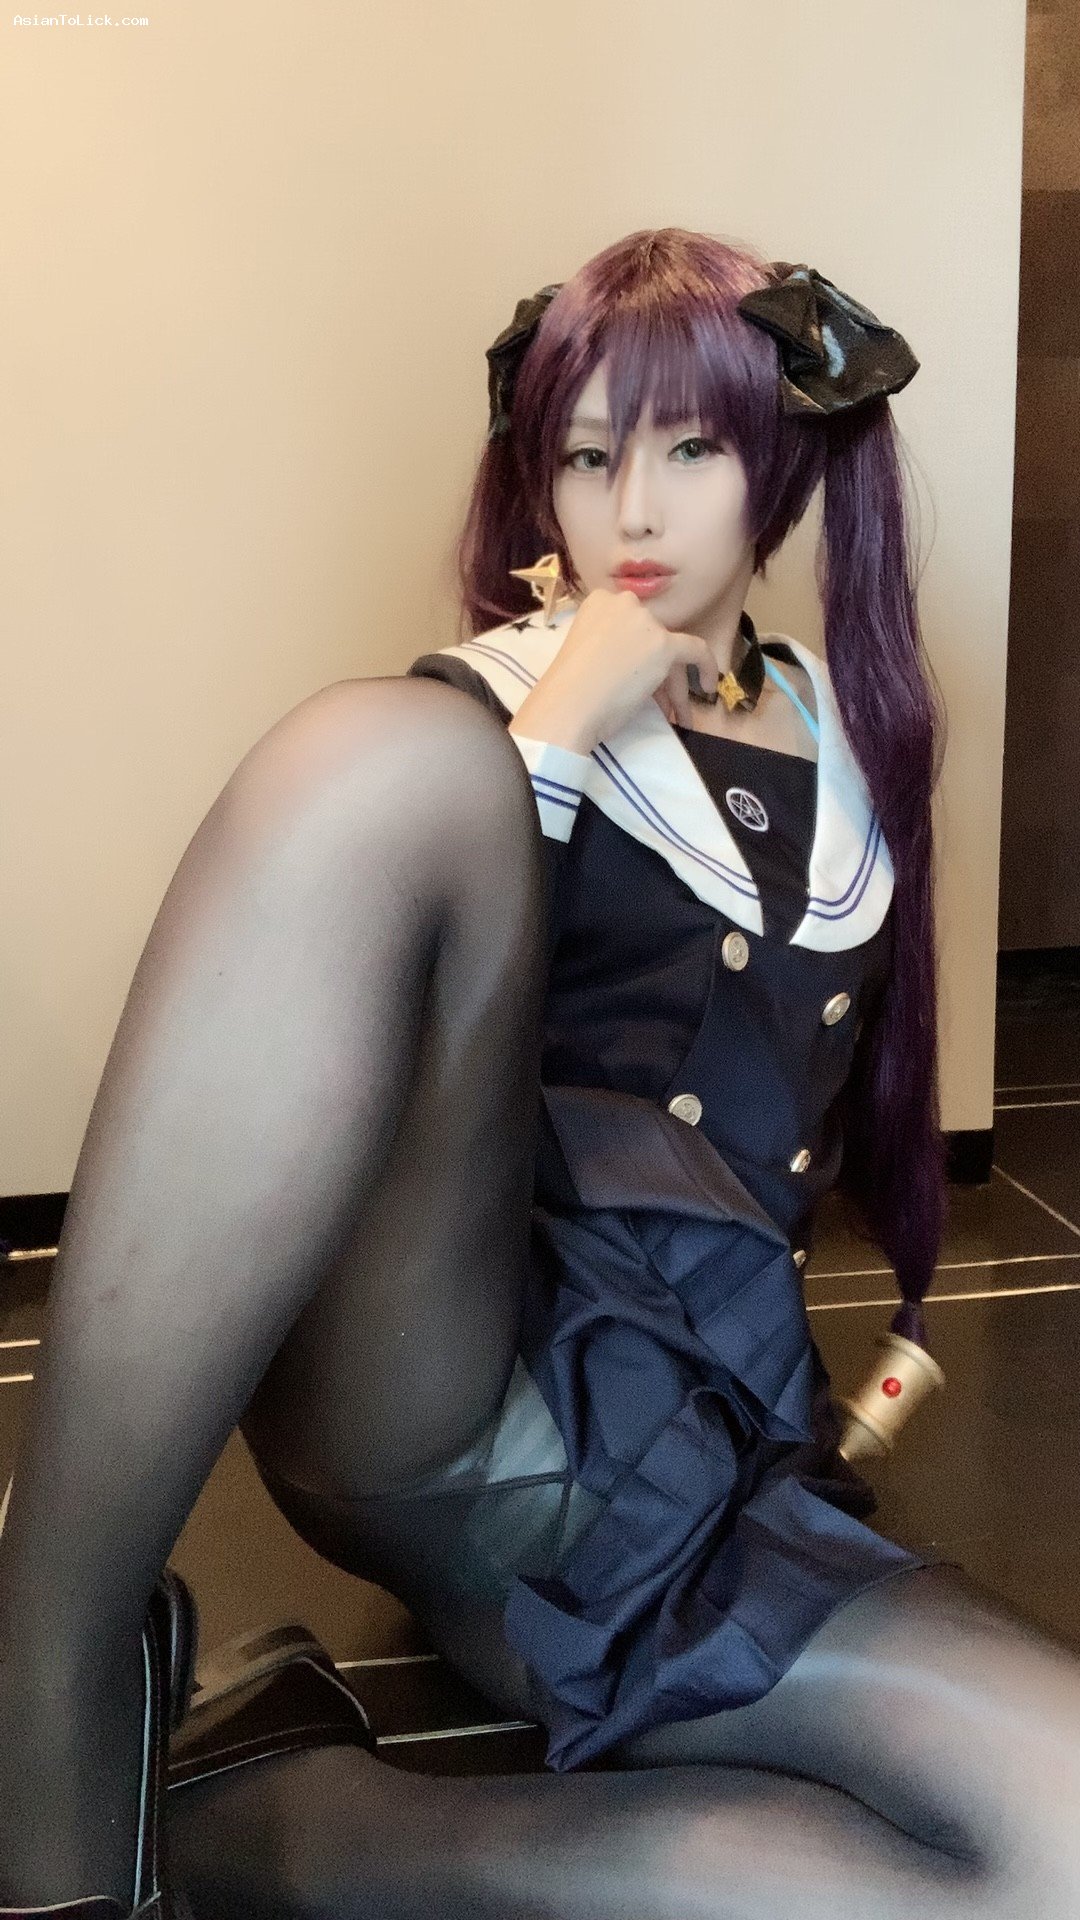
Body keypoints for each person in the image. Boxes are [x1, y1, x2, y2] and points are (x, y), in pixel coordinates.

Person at [3, 226, 1080, 1920]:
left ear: (783, 457)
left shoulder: (847, 729)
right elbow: (416, 1049)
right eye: (585, 456)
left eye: (691, 447)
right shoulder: (482, 725)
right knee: (388, 763)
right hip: (440, 1370)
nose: (632, 508)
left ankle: (273, 1823)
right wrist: (556, 744)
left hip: (681, 1471)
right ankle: (47, 1681)